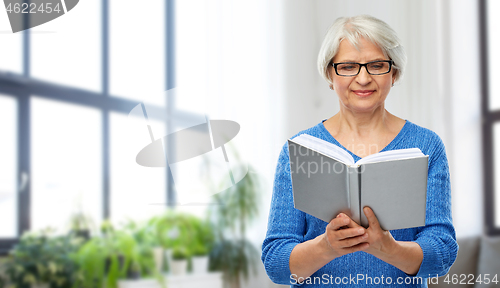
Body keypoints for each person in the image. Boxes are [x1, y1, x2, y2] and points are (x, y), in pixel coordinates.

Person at [261, 15, 458, 287]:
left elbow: (443, 253)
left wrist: (388, 248)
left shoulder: (426, 146)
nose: (363, 79)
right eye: (348, 66)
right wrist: (327, 246)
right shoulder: (300, 149)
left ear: (394, 72)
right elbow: (275, 263)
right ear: (330, 74)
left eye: (377, 65)